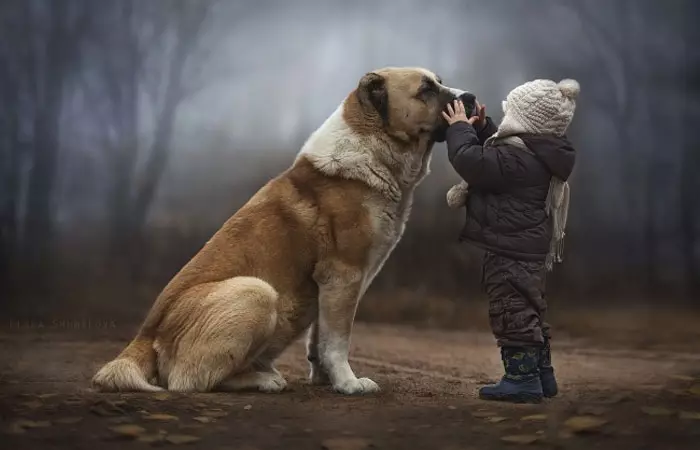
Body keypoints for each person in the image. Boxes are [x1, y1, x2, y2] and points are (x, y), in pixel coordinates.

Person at [441, 79, 580, 403]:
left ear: (525, 122)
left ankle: (521, 380)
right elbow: (498, 152)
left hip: (509, 250)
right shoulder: (535, 154)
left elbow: (470, 161)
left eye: (510, 114)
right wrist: (482, 128)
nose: (505, 121)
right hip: (525, 247)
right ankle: (542, 375)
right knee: (529, 308)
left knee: (511, 310)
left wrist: (459, 129)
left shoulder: (516, 161)